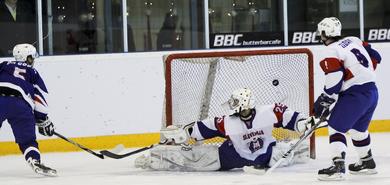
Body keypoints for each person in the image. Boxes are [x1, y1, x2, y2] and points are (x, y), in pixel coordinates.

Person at [134, 88, 315, 172]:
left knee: (194, 159)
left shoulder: (234, 121)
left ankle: (157, 158)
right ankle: (154, 159)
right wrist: (186, 133)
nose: (232, 105)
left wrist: (303, 122)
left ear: (244, 104)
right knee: (288, 151)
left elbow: (291, 118)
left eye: (235, 102)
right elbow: (205, 127)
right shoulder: (268, 112)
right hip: (249, 158)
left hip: (234, 158)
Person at [314, 17, 381, 181]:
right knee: (358, 130)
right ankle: (367, 162)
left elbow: (335, 77)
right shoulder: (354, 40)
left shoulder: (331, 50)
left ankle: (338, 167)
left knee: (336, 129)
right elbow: (376, 57)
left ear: (324, 33)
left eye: (321, 33)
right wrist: (359, 75)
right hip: (371, 91)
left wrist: (325, 99)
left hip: (355, 95)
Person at [0, 43, 57, 177]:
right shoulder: (33, 72)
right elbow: (38, 97)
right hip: (21, 105)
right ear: (27, 58)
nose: (33, 60)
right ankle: (34, 160)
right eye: (31, 57)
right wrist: (43, 119)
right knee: (28, 140)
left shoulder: (3, 65)